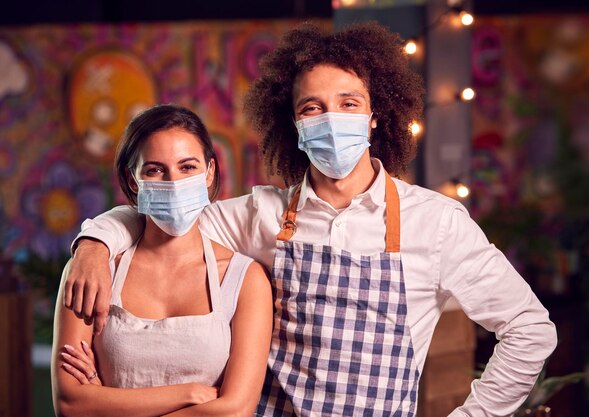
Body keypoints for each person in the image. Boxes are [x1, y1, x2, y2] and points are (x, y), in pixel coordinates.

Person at [63, 22, 558, 417]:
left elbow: (531, 329)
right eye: (312, 107)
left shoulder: (436, 222)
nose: (331, 119)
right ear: (294, 125)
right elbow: (164, 210)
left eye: (348, 103)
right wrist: (94, 243)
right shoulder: (260, 214)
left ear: (375, 115)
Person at [51, 104, 273, 417]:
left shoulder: (245, 280)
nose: (173, 182)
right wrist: (191, 394)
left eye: (187, 167)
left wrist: (105, 402)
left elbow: (235, 410)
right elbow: (71, 404)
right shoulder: (94, 272)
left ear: (209, 172)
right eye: (154, 170)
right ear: (132, 181)